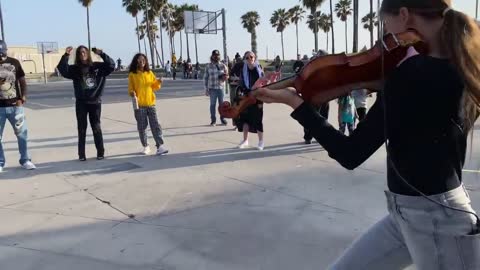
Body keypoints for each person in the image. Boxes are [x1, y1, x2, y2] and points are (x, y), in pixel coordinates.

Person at [253, 0, 480, 269]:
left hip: (437, 221)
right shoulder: (464, 68)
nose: (383, 41)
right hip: (408, 214)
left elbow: (351, 153)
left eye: (385, 26)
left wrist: (295, 103)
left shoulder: (410, 75)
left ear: (405, 15)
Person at [57, 46, 115, 161]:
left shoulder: (97, 66)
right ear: (78, 56)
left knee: (96, 128)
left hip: (95, 102)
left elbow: (111, 65)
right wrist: (66, 55)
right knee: (82, 128)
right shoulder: (75, 69)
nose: (82, 54)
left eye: (84, 52)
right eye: (80, 53)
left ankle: (100, 152)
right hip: (81, 103)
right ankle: (82, 155)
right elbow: (63, 70)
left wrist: (102, 53)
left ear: (88, 54)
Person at [0, 40, 36, 172]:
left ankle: (25, 160)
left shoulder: (14, 62)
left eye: (2, 54)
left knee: (21, 134)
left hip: (15, 105)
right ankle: (0, 162)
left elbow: (22, 81)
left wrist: (23, 97)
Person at [128, 53, 168, 156]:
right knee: (142, 126)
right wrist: (132, 92)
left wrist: (158, 82)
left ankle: (160, 146)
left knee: (156, 125)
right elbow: (130, 88)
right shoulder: (133, 74)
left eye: (143, 60)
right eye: (139, 60)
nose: (142, 62)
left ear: (146, 62)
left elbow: (154, 86)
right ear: (136, 62)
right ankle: (146, 146)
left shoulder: (149, 73)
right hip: (139, 105)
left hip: (151, 103)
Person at [235, 51, 265, 150]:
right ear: (245, 59)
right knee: (245, 119)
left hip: (258, 97)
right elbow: (240, 83)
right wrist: (241, 92)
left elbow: (264, 82)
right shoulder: (243, 70)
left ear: (254, 57)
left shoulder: (259, 69)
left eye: (251, 57)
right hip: (246, 97)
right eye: (247, 57)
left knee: (258, 119)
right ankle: (245, 140)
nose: (249, 59)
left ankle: (261, 142)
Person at [204, 49, 229, 126]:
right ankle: (213, 120)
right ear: (212, 56)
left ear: (219, 56)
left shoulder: (223, 65)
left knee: (222, 105)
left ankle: (222, 119)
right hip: (212, 88)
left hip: (221, 88)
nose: (216, 57)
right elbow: (205, 78)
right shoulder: (208, 66)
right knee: (212, 105)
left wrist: (225, 77)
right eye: (214, 55)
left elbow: (227, 75)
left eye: (217, 55)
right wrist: (206, 89)